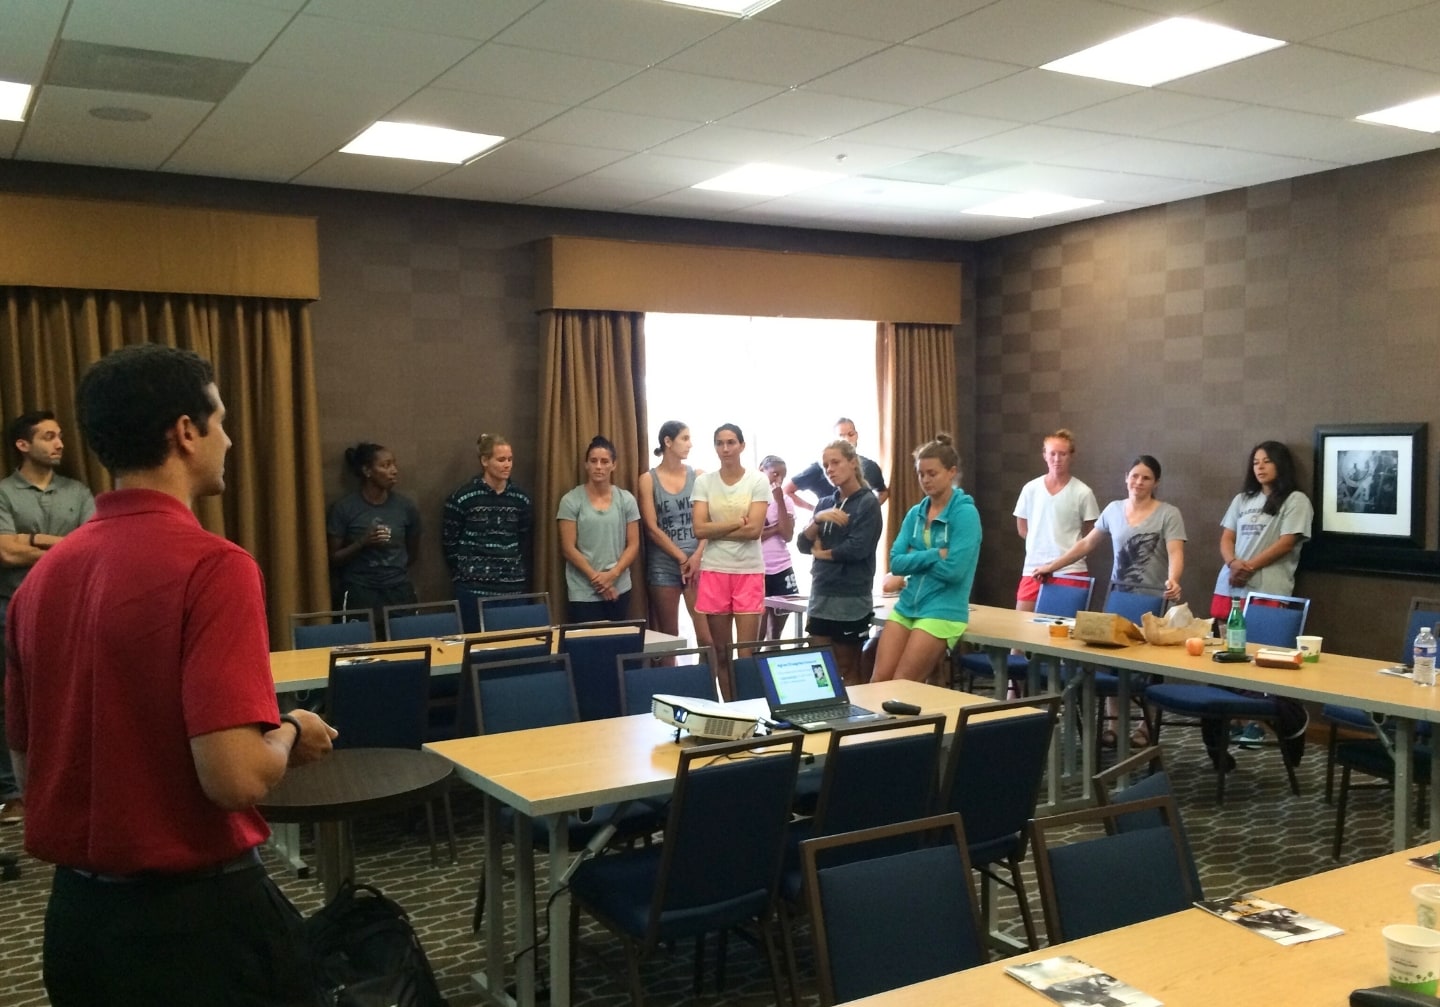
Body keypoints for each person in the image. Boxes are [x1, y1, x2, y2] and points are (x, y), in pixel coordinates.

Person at [5, 343, 336, 1005]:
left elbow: (28, 767)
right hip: (197, 925)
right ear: (186, 431)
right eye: (222, 421)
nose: (229, 439)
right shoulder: (214, 567)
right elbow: (234, 777)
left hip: (76, 924)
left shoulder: (39, 582)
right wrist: (293, 730)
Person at [1033, 455, 1186, 748]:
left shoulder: (1169, 513)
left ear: (1156, 483)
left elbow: (1175, 552)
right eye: (1135, 476)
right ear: (1126, 477)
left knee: (1149, 666)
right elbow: (1086, 543)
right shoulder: (1114, 510)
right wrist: (1052, 566)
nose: (1139, 482)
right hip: (1118, 598)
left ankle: (1146, 726)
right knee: (1113, 662)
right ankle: (1115, 724)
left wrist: (1174, 579)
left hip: (1154, 600)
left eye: (1146, 478)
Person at [0, 411, 95, 825]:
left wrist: (31, 540)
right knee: (12, 702)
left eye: (59, 436)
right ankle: (14, 792)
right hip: (11, 610)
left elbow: (91, 545)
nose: (59, 444)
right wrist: (62, 543)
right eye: (49, 436)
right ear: (23, 445)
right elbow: (5, 552)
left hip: (71, 611)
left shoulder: (78, 491)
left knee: (73, 695)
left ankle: (75, 782)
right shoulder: (4, 494)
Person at [1210, 441, 1313, 756]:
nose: (1260, 467)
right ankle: (1234, 719)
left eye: (1267, 461)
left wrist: (1249, 567)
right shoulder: (1243, 499)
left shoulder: (1295, 500)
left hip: (1267, 589)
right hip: (1230, 586)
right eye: (1255, 462)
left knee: (1259, 657)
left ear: (1281, 464)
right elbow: (1227, 536)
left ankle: (1257, 721)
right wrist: (1233, 563)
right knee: (1226, 654)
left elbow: (1287, 542)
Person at [873, 434, 982, 684]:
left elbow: (955, 571)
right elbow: (896, 563)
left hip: (943, 609)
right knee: (879, 680)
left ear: (951, 472)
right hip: (908, 604)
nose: (925, 480)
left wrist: (914, 560)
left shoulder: (965, 514)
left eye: (932, 473)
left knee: (903, 683)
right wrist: (934, 554)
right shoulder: (916, 513)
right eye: (921, 474)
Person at [796, 439, 883, 685]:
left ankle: (855, 710)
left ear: (853, 463)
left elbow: (857, 549)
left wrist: (823, 554)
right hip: (821, 595)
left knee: (847, 666)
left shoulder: (867, 503)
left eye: (835, 462)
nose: (830, 470)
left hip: (850, 598)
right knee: (819, 669)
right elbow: (803, 544)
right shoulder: (825, 504)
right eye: (826, 466)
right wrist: (817, 520)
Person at [692, 423, 769, 700]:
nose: (725, 448)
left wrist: (716, 528)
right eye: (720, 443)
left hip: (748, 571)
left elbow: (754, 530)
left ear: (741, 446)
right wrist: (737, 523)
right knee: (721, 652)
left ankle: (749, 709)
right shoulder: (704, 482)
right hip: (715, 570)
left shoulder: (757, 480)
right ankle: (730, 708)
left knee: (745, 655)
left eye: (731, 442)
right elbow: (699, 529)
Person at [443, 432, 534, 633]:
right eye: (501, 460)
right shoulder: (463, 497)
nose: (507, 465)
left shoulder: (521, 498)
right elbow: (450, 542)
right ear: (485, 461)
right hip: (473, 588)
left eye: (510, 459)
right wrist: (463, 574)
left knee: (514, 643)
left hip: (511, 586)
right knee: (475, 644)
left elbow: (523, 538)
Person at [326, 442, 422, 633]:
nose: (394, 471)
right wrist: (363, 542)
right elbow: (333, 558)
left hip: (398, 590)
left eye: (394, 464)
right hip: (359, 591)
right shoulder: (345, 508)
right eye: (385, 465)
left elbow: (412, 552)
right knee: (356, 646)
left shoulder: (405, 507)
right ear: (367, 471)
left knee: (409, 644)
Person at [637, 421, 709, 647]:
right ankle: (671, 673)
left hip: (697, 563)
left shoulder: (698, 475)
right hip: (664, 564)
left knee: (706, 636)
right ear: (668, 442)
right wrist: (681, 558)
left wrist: (696, 556)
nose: (690, 444)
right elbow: (651, 528)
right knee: (669, 638)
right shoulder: (648, 479)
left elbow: (708, 523)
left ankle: (708, 672)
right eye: (684, 438)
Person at [1013, 429, 1099, 612]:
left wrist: (1066, 552)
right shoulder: (1030, 489)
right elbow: (1022, 528)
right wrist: (1041, 543)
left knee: (1063, 627)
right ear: (1045, 455)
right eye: (1052, 453)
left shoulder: (1083, 492)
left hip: (1070, 570)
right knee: (1021, 623)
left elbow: (1091, 535)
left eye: (1063, 454)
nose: (1057, 459)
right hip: (1033, 568)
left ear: (1071, 456)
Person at [557, 435, 641, 623]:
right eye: (593, 461)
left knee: (618, 640)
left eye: (604, 461)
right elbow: (568, 548)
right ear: (586, 465)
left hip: (619, 587)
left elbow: (633, 544)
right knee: (587, 640)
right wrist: (599, 581)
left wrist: (612, 575)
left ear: (614, 465)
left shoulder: (626, 499)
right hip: (583, 591)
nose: (599, 466)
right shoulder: (570, 500)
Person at [783, 416, 888, 512]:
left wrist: (870, 509)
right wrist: (816, 510)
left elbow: (883, 492)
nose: (847, 439)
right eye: (841, 436)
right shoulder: (820, 467)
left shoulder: (870, 466)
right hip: (828, 523)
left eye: (851, 434)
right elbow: (787, 490)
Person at [758, 455, 797, 640]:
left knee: (776, 633)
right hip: (758, 570)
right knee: (757, 633)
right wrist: (777, 528)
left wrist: (779, 499)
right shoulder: (750, 499)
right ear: (762, 470)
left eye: (783, 476)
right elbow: (754, 535)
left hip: (782, 568)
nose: (778, 480)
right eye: (775, 474)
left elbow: (787, 535)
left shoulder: (786, 501)